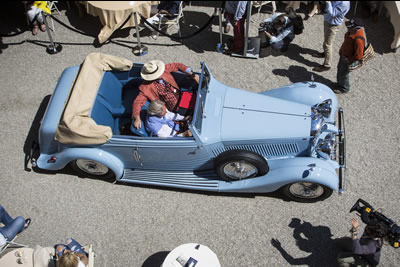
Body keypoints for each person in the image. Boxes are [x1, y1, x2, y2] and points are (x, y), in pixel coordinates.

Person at [132, 60, 199, 129]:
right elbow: (138, 102)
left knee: (197, 100)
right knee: (195, 113)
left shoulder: (163, 69)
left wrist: (191, 74)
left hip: (180, 95)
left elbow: (177, 65)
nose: (160, 75)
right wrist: (137, 117)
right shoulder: (145, 87)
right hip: (174, 107)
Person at [312, 1, 350, 72]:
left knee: (328, 44)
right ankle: (325, 53)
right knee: (326, 40)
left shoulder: (344, 3)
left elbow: (333, 14)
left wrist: (328, 2)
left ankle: (327, 65)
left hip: (333, 25)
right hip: (328, 21)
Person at [335, 18, 366, 93]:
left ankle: (344, 88)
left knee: (344, 74)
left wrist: (349, 60)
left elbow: (358, 55)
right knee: (340, 70)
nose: (347, 27)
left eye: (350, 26)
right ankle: (339, 84)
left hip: (347, 59)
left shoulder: (358, 40)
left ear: (356, 28)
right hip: (343, 55)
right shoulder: (350, 33)